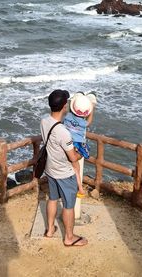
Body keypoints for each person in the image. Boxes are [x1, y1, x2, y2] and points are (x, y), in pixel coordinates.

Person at [40, 89, 88, 247]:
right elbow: (73, 158)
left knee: (52, 199)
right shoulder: (63, 133)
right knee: (68, 205)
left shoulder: (44, 121)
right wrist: (81, 154)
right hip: (65, 174)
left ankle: (49, 229)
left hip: (50, 169)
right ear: (63, 106)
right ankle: (69, 237)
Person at [63, 92, 97, 196]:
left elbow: (69, 110)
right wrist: (92, 110)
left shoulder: (67, 116)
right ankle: (80, 188)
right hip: (78, 144)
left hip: (67, 142)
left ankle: (79, 188)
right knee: (77, 166)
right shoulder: (83, 123)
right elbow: (89, 121)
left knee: (74, 166)